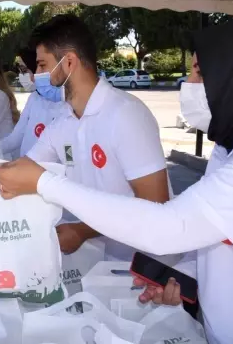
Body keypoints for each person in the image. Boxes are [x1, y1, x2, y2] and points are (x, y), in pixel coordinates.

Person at [0, 17, 233, 344]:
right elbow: (223, 240)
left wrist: (46, 184)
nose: (188, 84)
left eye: (198, 72)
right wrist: (187, 280)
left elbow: (170, 225)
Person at [22, 15, 170, 261]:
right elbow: (24, 168)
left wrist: (83, 230)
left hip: (143, 268)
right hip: (101, 266)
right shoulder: (64, 119)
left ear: (69, 62)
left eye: (42, 65)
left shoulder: (125, 114)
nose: (37, 74)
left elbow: (155, 206)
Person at [0, 47, 68, 159]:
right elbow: (14, 140)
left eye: (25, 70)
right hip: (26, 170)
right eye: (21, 71)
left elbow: (68, 156)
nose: (23, 76)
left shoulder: (69, 104)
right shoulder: (34, 98)